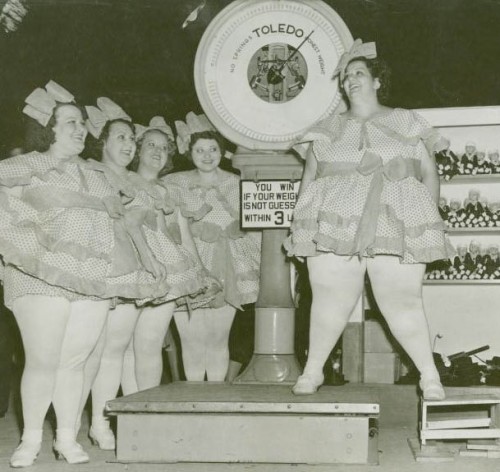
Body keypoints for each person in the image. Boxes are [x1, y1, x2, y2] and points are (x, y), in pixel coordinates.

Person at [0, 83, 167, 468]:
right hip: (39, 274)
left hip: (91, 275)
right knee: (42, 359)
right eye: (70, 122)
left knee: (74, 360)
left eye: (81, 123)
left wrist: (146, 258)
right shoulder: (30, 165)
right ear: (48, 129)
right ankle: (29, 440)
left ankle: (66, 438)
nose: (80, 129)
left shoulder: (98, 176)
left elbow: (126, 221)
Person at [284, 40, 453, 400]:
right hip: (335, 222)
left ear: (377, 81)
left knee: (402, 299)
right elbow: (310, 177)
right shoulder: (326, 127)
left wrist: (427, 220)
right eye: (345, 77)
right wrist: (302, 227)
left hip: (395, 219)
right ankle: (312, 372)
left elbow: (428, 172)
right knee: (329, 298)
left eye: (358, 73)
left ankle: (429, 377)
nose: (350, 81)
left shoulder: (406, 120)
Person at [81, 111, 213, 450]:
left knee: (149, 345)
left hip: (165, 268)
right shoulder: (119, 179)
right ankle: (108, 419)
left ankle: (143, 416)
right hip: (131, 264)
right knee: (116, 346)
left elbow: (183, 235)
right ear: (138, 151)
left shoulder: (167, 190)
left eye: (163, 147)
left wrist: (201, 272)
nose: (156, 152)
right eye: (149, 145)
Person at [164, 115, 261, 381]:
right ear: (189, 151)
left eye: (213, 149)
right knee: (191, 340)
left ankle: (214, 401)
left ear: (221, 151)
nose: (207, 156)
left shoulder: (239, 182)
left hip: (229, 265)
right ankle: (195, 403)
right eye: (199, 150)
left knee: (219, 340)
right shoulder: (174, 183)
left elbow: (256, 226)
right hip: (188, 266)